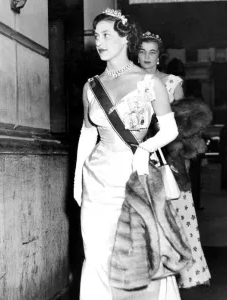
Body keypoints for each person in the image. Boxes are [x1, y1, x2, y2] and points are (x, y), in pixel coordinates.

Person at [74, 10, 183, 299]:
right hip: (96, 180)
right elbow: (87, 134)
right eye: (96, 36)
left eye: (106, 35)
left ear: (125, 38)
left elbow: (170, 130)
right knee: (96, 255)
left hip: (135, 177)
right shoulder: (91, 86)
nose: (99, 41)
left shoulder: (150, 83)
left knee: (138, 257)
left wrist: (145, 148)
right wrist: (76, 182)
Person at [138, 31, 211, 289]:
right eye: (142, 52)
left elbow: (183, 125)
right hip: (135, 156)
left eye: (152, 52)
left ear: (160, 57)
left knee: (177, 215)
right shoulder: (128, 80)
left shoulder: (172, 82)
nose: (147, 57)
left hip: (167, 156)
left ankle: (183, 273)